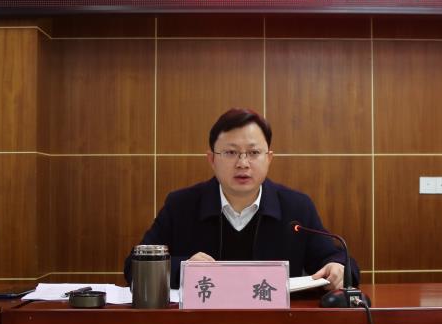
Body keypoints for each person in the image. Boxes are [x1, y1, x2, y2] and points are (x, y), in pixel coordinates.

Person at [124, 108, 359, 289]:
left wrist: (338, 267)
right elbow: (134, 266)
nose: (243, 163)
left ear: (269, 158)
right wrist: (183, 268)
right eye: (230, 152)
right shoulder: (181, 205)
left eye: (253, 153)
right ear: (211, 159)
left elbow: (338, 260)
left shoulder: (296, 207)